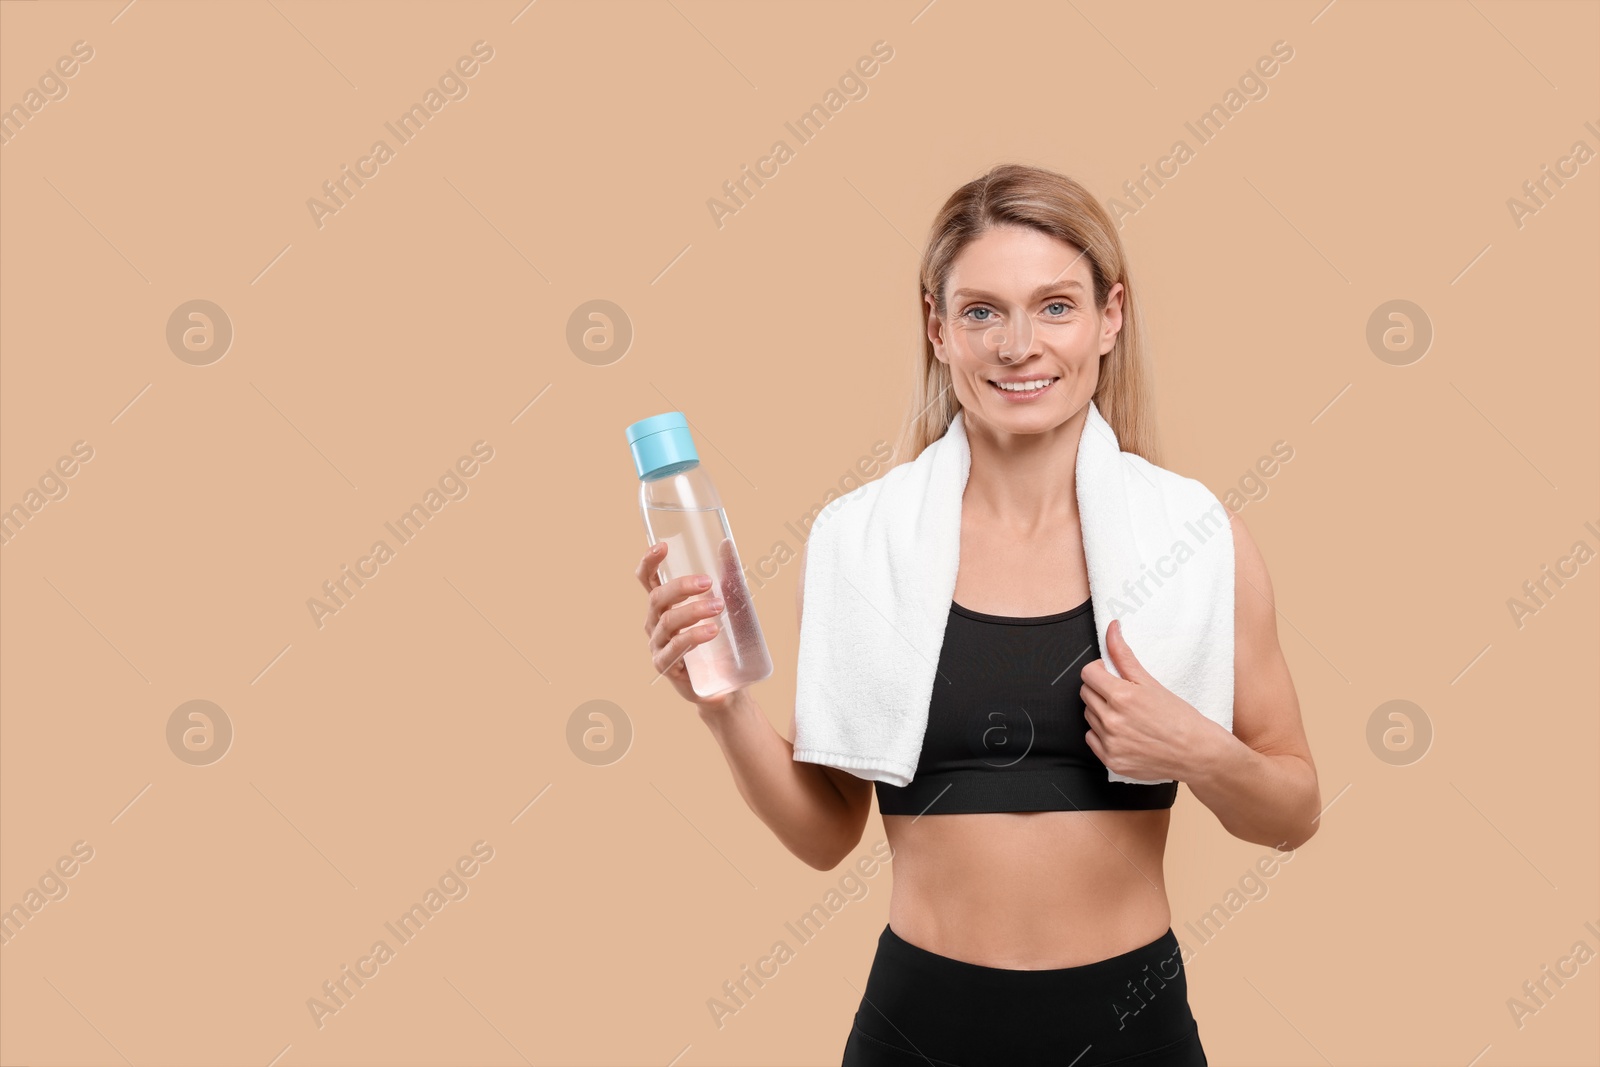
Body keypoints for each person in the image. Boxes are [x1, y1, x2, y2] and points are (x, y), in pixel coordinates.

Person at [634, 163, 1319, 1066]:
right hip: (920, 1028)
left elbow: (1294, 810)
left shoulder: (1197, 538)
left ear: (1111, 317)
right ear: (938, 327)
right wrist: (721, 707)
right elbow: (826, 831)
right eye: (983, 311)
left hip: (1129, 1029)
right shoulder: (862, 540)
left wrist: (1195, 747)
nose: (1018, 346)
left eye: (1057, 306)